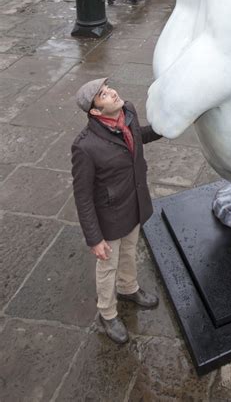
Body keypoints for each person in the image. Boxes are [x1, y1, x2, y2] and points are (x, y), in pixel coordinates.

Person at [71, 78, 162, 344]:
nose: (111, 92)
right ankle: (107, 314)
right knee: (107, 266)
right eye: (102, 94)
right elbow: (83, 196)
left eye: (108, 88)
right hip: (109, 217)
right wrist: (94, 238)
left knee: (130, 251)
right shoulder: (85, 147)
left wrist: (167, 127)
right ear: (95, 112)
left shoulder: (127, 113)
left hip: (133, 204)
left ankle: (128, 288)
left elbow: (139, 137)